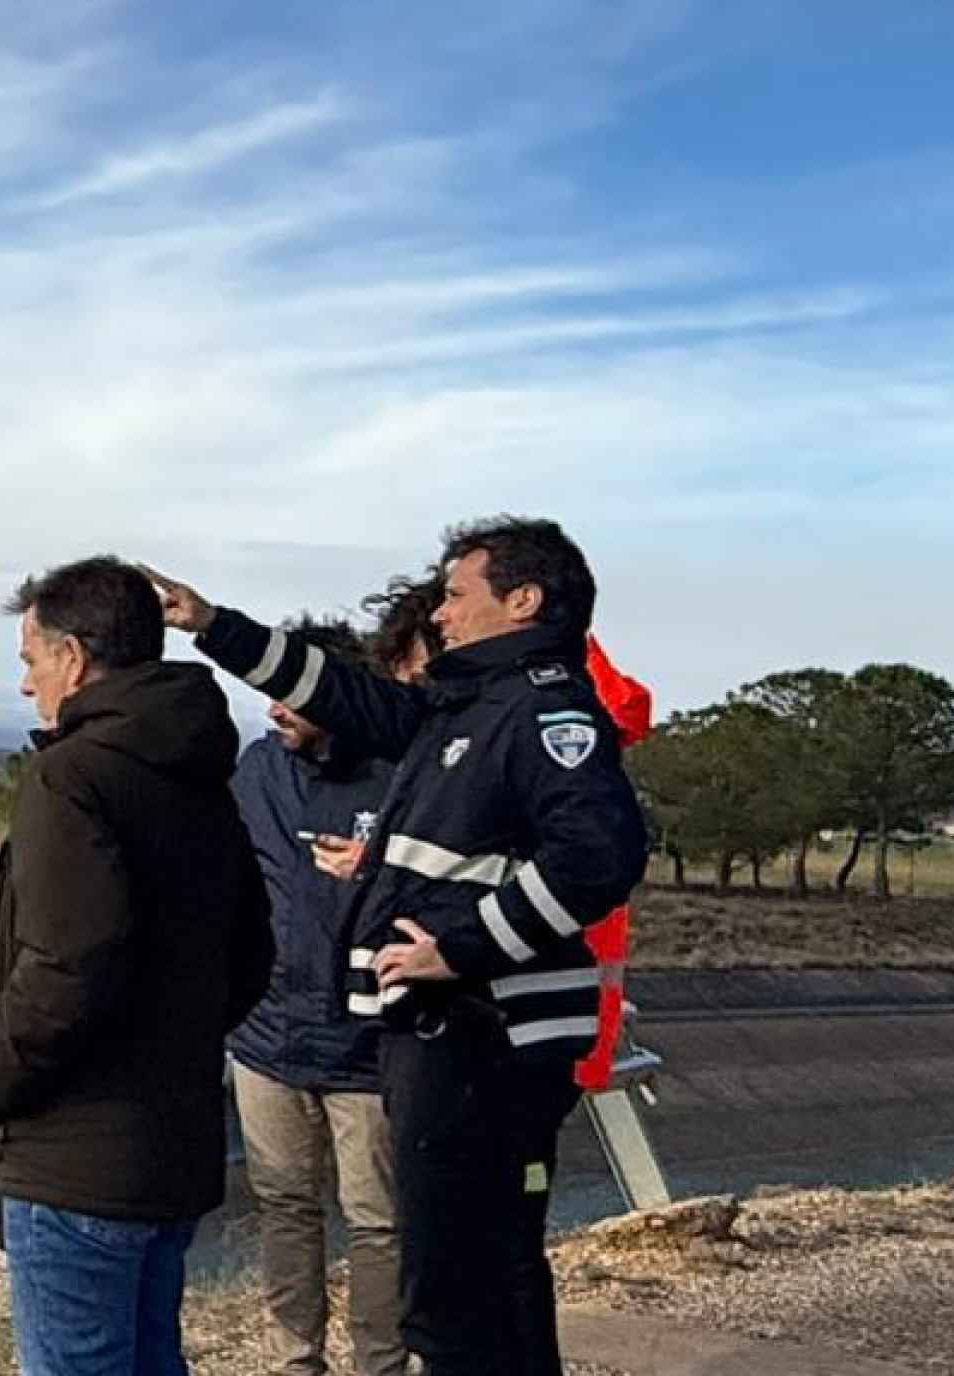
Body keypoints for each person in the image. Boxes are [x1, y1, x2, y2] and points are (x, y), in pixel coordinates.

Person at [143, 521, 647, 1376]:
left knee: (455, 1288)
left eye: (456, 595)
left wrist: (460, 949)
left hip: (483, 1038)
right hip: (449, 1035)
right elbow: (346, 697)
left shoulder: (541, 712)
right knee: (486, 1272)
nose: (441, 615)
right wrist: (211, 624)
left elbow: (600, 857)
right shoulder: (471, 708)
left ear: (522, 602)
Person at [0, 556, 275, 1376]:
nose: (26, 685)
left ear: (73, 658)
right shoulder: (201, 776)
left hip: (74, 1156)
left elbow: (70, 958)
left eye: (31, 660)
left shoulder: (68, 776)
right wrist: (172, 1037)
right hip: (170, 1148)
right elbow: (252, 954)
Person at [226, 618, 412, 1376]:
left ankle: (380, 1364)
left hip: (369, 1041)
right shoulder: (257, 769)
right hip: (267, 1036)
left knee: (378, 1222)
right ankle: (294, 1361)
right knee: (284, 1205)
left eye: (290, 695)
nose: (274, 709)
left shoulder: (400, 774)